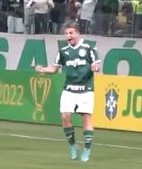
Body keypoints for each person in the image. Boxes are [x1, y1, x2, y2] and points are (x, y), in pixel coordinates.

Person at [34, 22, 101, 161]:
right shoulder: (63, 51)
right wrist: (43, 69)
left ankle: (87, 149)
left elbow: (96, 64)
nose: (68, 36)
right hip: (69, 89)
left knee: (86, 118)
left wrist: (95, 67)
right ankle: (73, 146)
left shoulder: (88, 48)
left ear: (77, 33)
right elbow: (54, 68)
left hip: (86, 89)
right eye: (66, 33)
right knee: (65, 117)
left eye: (71, 33)